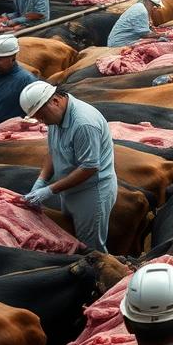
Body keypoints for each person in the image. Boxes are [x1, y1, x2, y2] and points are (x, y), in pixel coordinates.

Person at [19, 81, 118, 253]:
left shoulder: (83, 123)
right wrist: (41, 181)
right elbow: (53, 151)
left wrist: (49, 190)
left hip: (91, 193)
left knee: (91, 250)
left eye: (41, 116)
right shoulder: (55, 118)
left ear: (55, 101)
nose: (41, 121)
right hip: (68, 190)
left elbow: (89, 167)